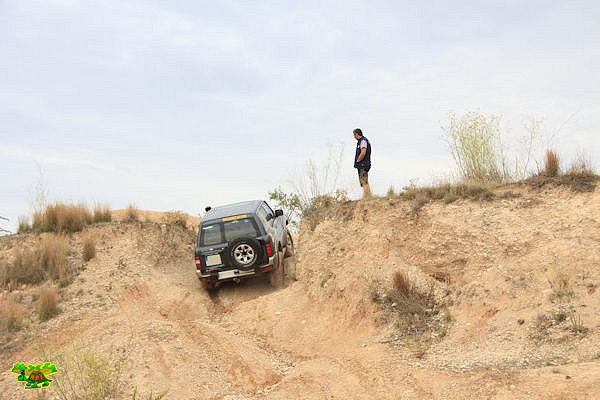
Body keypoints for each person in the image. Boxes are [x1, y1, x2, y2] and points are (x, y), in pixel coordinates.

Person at [353, 128, 372, 198]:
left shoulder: (363, 141)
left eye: (354, 135)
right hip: (363, 164)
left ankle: (368, 196)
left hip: (363, 164)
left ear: (357, 134)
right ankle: (367, 195)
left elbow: (363, 153)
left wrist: (358, 161)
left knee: (364, 181)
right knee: (363, 180)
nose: (354, 137)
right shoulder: (361, 141)